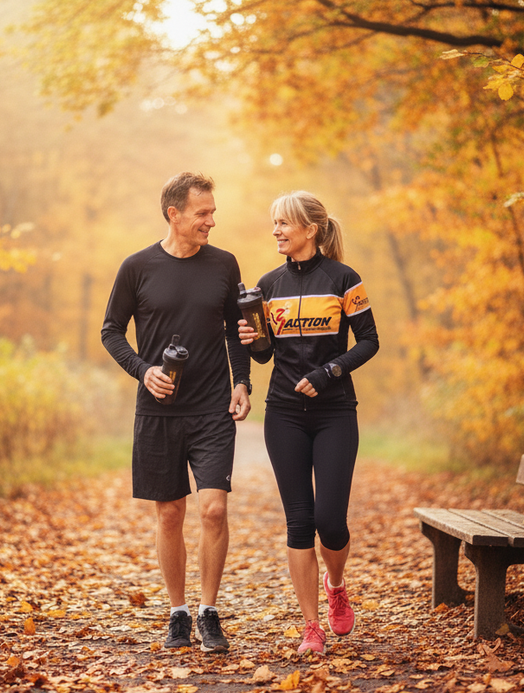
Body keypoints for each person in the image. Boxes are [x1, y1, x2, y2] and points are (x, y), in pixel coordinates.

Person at [101, 172, 252, 653]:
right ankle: (178, 613)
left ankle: (209, 611)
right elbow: (111, 331)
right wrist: (142, 370)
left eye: (212, 211)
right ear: (175, 214)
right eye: (202, 213)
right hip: (159, 412)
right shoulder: (137, 267)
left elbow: (237, 330)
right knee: (170, 516)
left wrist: (242, 381)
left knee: (213, 509)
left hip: (212, 408)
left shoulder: (224, 265)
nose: (212, 220)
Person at [238, 190, 379, 656]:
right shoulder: (267, 284)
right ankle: (311, 626)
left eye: (283, 223)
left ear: (310, 230)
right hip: (283, 413)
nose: (275, 230)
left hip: (335, 410)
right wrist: (252, 337)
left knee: (330, 522)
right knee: (299, 523)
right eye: (274, 223)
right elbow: (263, 355)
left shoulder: (344, 278)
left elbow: (369, 341)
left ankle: (335, 583)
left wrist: (328, 372)